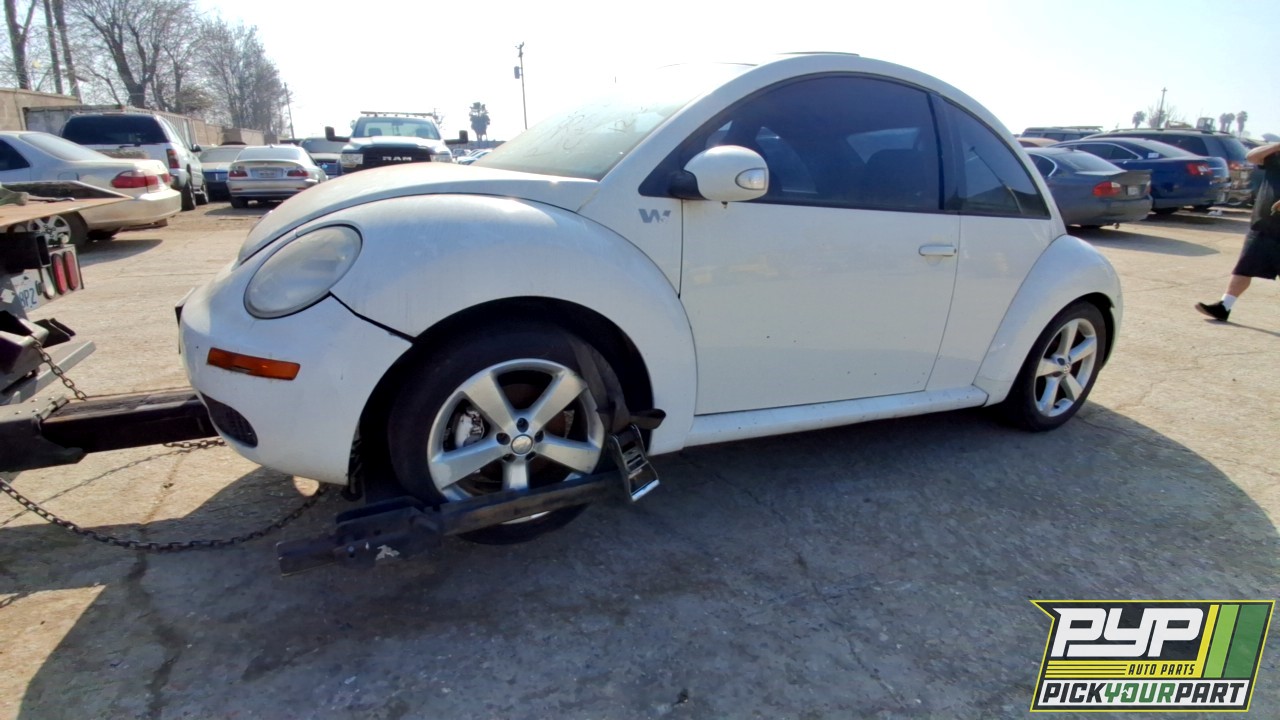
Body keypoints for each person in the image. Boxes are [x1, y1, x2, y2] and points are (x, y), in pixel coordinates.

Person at [1196, 142, 1280, 321]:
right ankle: (1224, 307)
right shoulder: (1276, 155)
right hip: (1263, 224)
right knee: (1244, 267)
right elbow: (1251, 156)